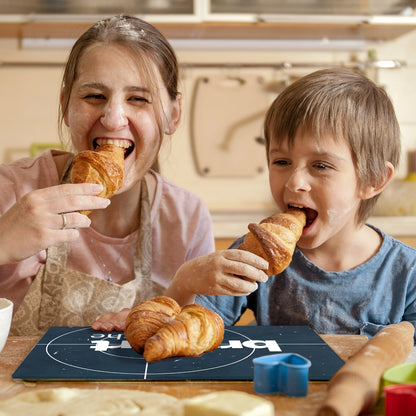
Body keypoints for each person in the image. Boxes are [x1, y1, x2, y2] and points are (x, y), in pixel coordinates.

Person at [102, 68, 416, 341]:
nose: (294, 182)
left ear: (373, 179)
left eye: (320, 166)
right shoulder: (256, 254)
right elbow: (191, 329)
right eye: (282, 161)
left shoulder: (407, 274)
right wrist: (180, 288)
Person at [0, 15, 217, 336]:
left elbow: (201, 334)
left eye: (139, 99)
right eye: (94, 96)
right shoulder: (12, 191)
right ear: (65, 105)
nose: (114, 118)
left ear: (173, 114)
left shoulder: (186, 218)